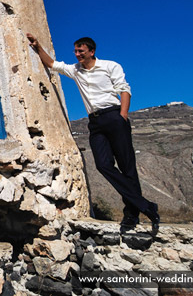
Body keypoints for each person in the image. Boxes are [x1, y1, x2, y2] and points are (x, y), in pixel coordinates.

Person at [25, 33, 160, 233]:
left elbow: (124, 89)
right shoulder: (76, 70)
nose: (77, 54)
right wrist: (37, 46)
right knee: (103, 165)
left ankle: (132, 214)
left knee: (127, 166)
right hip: (95, 122)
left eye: (81, 51)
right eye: (75, 51)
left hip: (114, 116)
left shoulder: (110, 66)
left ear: (91, 51)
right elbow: (53, 64)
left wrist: (122, 116)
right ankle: (145, 205)